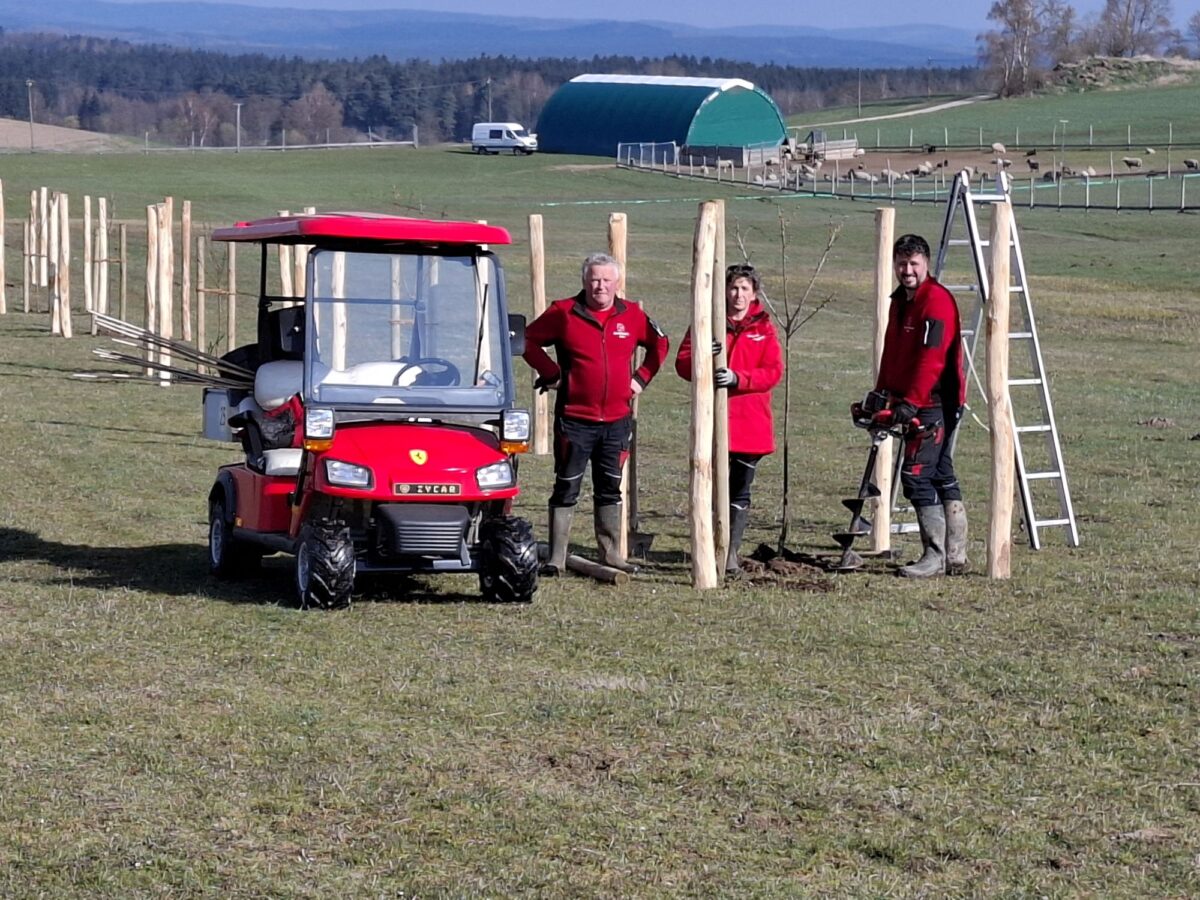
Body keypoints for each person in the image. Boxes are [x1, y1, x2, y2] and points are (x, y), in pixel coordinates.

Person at [522, 252, 669, 575]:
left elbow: (660, 345)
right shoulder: (563, 312)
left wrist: (640, 379)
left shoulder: (632, 314)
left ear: (617, 283)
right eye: (594, 280)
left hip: (616, 422)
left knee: (609, 487)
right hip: (574, 420)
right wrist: (551, 373)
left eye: (606, 280)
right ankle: (557, 558)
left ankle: (611, 553)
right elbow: (527, 340)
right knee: (566, 486)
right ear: (584, 282)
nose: (600, 286)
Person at [857, 233, 967, 577]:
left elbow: (930, 360)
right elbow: (892, 353)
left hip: (936, 401)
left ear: (926, 265)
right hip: (910, 399)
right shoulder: (899, 301)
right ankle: (956, 555)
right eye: (902, 263)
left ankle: (935, 557)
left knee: (917, 475)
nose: (907, 270)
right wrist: (881, 395)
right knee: (941, 473)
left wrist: (910, 404)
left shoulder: (936, 302)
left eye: (913, 264)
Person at [675, 263, 783, 575]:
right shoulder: (707, 323)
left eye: (744, 289)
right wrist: (702, 355)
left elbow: (773, 372)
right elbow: (683, 365)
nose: (738, 294)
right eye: (733, 288)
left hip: (750, 424)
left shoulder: (763, 328)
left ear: (754, 294)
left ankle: (731, 553)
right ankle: (708, 547)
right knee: (709, 486)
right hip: (712, 423)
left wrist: (739, 378)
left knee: (739, 489)